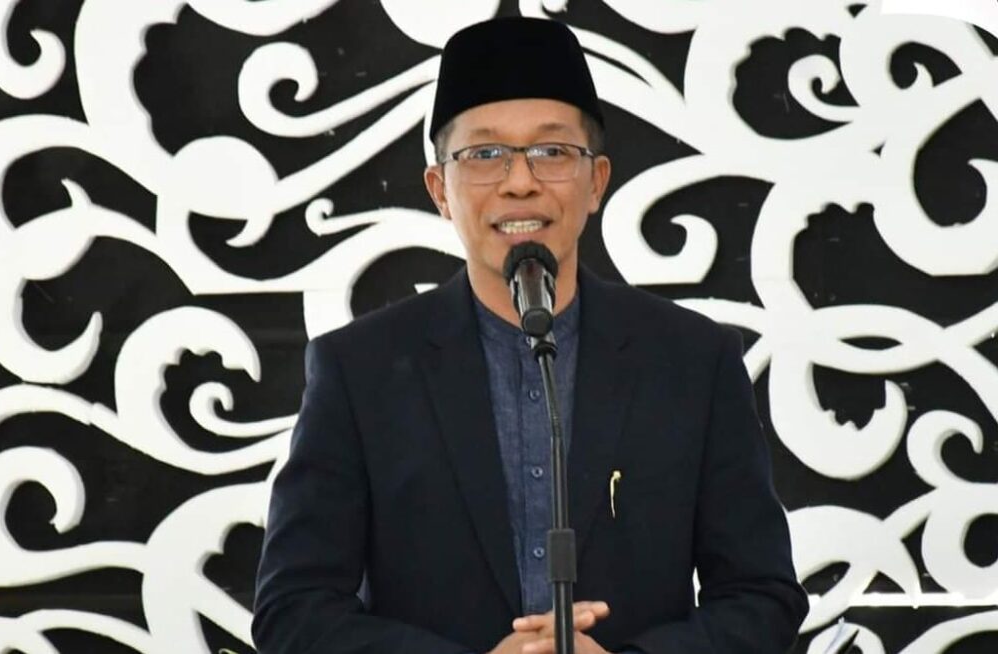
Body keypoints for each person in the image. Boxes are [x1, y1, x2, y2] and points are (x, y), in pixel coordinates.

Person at [252, 16, 808, 654]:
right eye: (485, 155)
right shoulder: (359, 370)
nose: (520, 182)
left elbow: (763, 596)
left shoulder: (692, 359)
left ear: (596, 182)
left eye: (551, 152)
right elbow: (293, 612)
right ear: (440, 190)